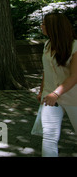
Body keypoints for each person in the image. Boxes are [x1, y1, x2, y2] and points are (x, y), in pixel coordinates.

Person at [37, 13, 77, 157]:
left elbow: (75, 76)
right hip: (51, 98)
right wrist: (42, 91)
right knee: (49, 137)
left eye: (44, 24)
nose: (41, 26)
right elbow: (46, 71)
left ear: (54, 27)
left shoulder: (75, 46)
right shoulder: (48, 44)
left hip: (73, 97)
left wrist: (56, 93)